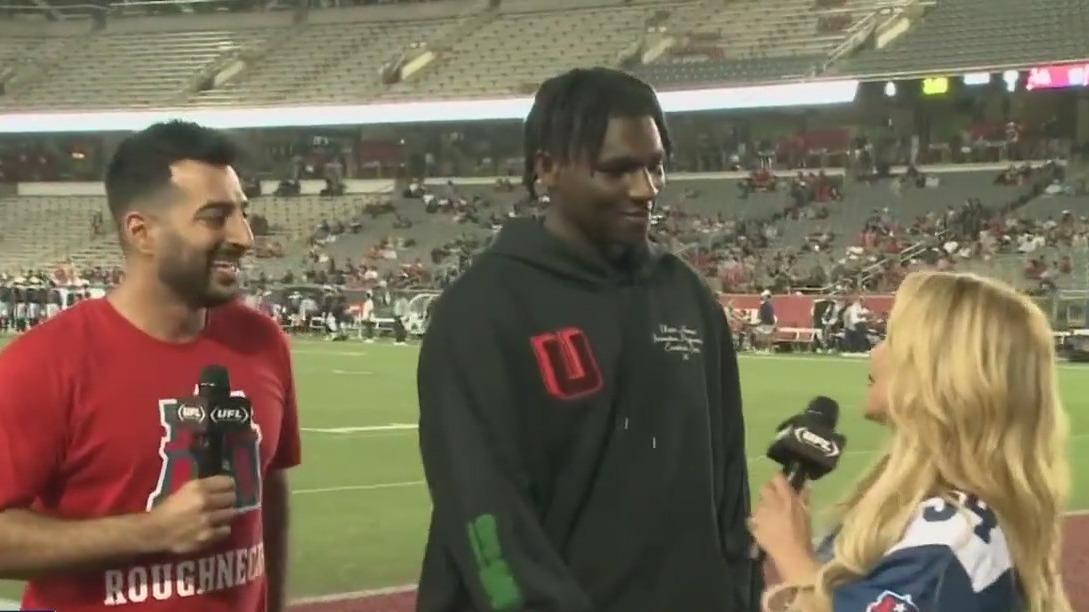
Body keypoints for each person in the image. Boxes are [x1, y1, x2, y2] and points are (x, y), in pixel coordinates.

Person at [416, 67, 761, 612]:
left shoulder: (685, 296)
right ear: (547, 169)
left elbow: (728, 481)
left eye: (656, 167)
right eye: (617, 170)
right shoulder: (483, 310)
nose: (645, 189)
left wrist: (740, 593)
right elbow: (482, 512)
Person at [0, 121, 302, 612]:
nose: (244, 237)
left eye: (243, 214)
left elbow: (271, 491)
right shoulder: (44, 364)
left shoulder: (262, 343)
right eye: (214, 217)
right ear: (141, 232)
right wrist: (150, 531)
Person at [750, 271, 1071, 612]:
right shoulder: (938, 518)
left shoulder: (950, 539)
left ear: (941, 372)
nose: (876, 353)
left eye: (893, 338)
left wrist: (793, 556)